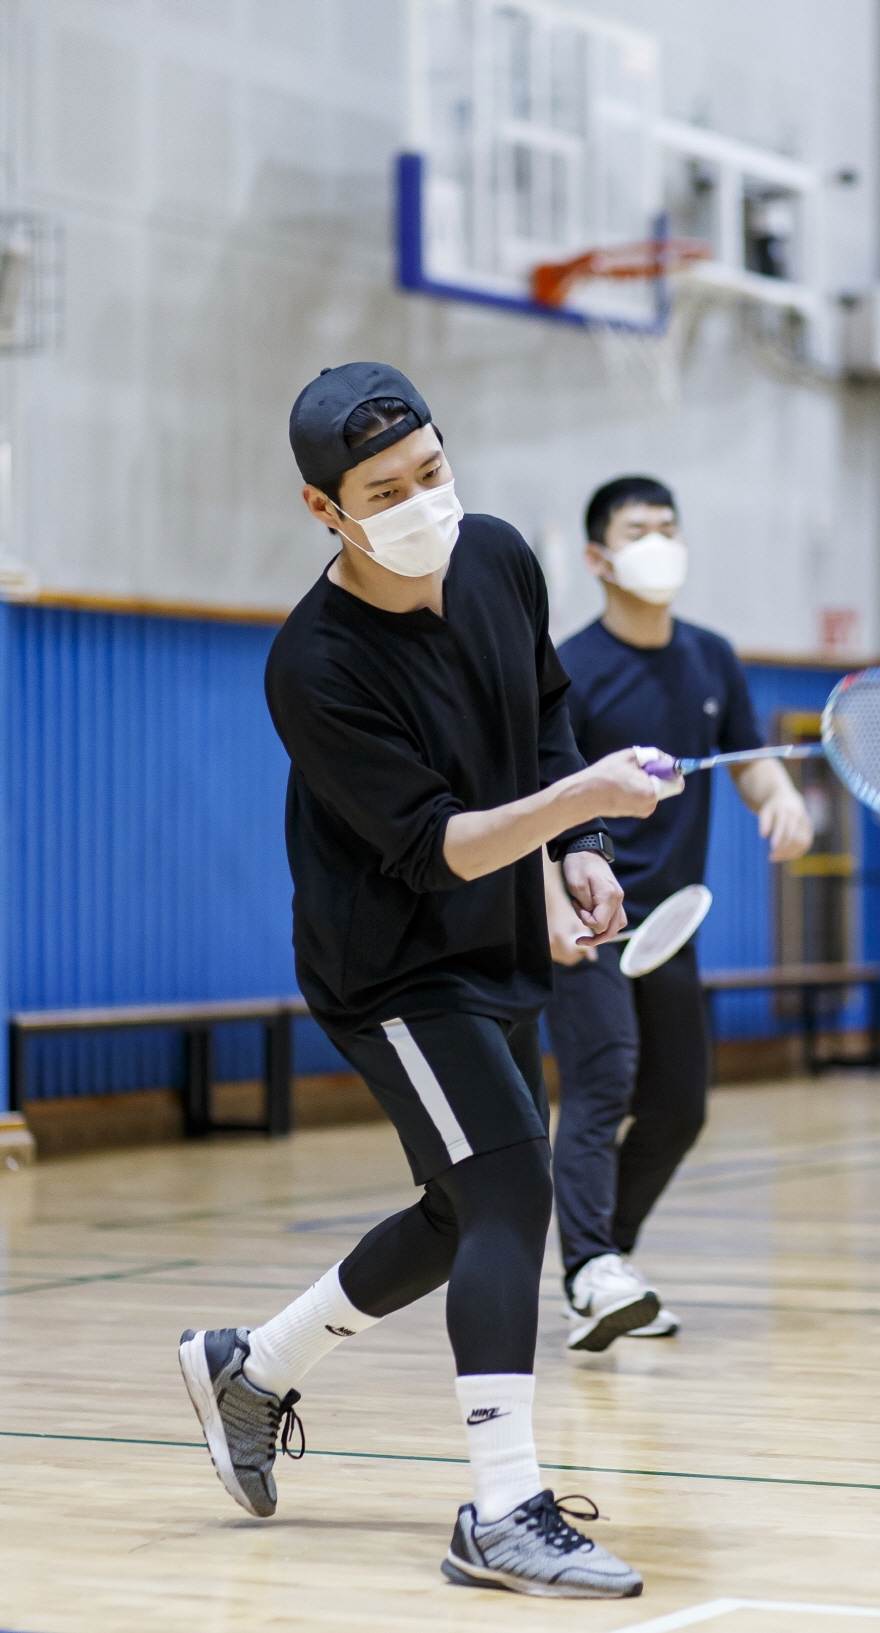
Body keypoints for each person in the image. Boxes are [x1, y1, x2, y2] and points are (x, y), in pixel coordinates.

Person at [177, 364, 683, 1600]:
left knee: (464, 1214)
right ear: (325, 508)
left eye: (432, 471)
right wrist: (572, 804)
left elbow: (549, 714)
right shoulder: (315, 665)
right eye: (385, 490)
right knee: (513, 1186)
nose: (421, 502)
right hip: (392, 967)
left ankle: (253, 1367)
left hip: (496, 943)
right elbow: (435, 843)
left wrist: (581, 851)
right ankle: (503, 1507)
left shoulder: (503, 559)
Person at [544, 475, 813, 1352]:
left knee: (679, 1104)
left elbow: (749, 759)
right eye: (638, 528)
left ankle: (606, 1267)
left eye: (669, 526)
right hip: (586, 911)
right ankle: (588, 1269)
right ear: (597, 555)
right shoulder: (570, 669)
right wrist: (555, 900)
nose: (658, 541)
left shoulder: (710, 657)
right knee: (604, 1079)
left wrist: (781, 800)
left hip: (670, 924)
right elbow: (538, 797)